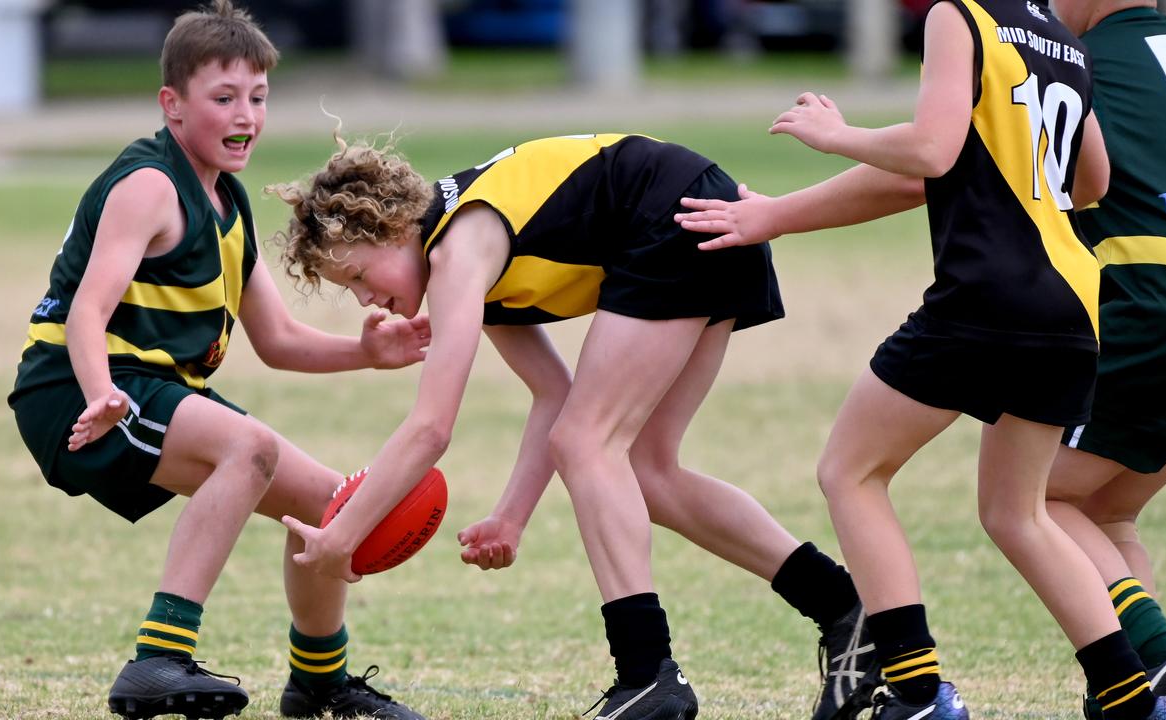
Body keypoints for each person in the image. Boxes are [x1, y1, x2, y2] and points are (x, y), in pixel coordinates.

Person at [674, 2, 1166, 719]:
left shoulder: (960, 14)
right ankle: (1134, 699)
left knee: (851, 471)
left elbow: (930, 152)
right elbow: (1091, 180)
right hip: (1073, 305)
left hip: (986, 296)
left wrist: (838, 134)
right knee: (1019, 514)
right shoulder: (1062, 41)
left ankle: (916, 693)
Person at [269, 130, 876, 720]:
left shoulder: (457, 251)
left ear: (394, 230)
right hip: (690, 208)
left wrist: (344, 534)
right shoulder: (473, 255)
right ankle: (846, 611)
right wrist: (512, 513)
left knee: (590, 444)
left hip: (674, 216)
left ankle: (647, 674)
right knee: (647, 472)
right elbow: (553, 393)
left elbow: (431, 427)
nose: (364, 301)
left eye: (356, 276)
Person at [7, 3, 430, 719]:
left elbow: (279, 341)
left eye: (258, 97)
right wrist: (101, 392)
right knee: (250, 446)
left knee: (332, 508)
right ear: (172, 105)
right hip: (74, 389)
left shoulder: (227, 201)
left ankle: (319, 684)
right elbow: (86, 311)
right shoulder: (150, 186)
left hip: (148, 389)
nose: (246, 115)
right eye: (224, 97)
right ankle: (158, 660)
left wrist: (365, 353)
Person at [1040, 1, 1166, 716]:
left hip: (1156, 310)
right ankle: (1145, 703)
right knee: (1107, 513)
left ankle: (1157, 651)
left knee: (1031, 500)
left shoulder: (1078, 66)